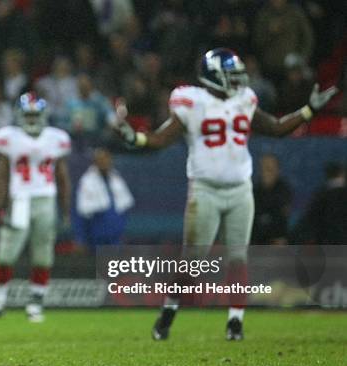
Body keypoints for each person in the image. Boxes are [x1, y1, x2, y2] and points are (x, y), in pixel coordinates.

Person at [117, 48, 338, 341]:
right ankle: (169, 311)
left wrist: (308, 110)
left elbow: (274, 127)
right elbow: (162, 138)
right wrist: (138, 138)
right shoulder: (193, 102)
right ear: (213, 76)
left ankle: (235, 322)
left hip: (239, 190)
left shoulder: (244, 100)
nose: (237, 81)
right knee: (192, 262)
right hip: (205, 191)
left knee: (238, 258)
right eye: (231, 75)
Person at [0, 92, 71, 323]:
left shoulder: (56, 138)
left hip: (46, 198)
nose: (32, 119)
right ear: (19, 115)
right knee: (7, 252)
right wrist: (0, 206)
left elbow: (63, 176)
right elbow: (2, 174)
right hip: (20, 200)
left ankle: (36, 303)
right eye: (28, 114)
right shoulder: (9, 137)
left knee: (43, 253)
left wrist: (65, 209)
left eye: (35, 114)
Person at [73, 148, 134, 251]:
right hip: (97, 233)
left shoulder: (116, 178)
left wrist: (122, 229)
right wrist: (81, 238)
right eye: (100, 159)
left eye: (106, 159)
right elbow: (82, 211)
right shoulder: (87, 181)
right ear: (95, 162)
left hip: (115, 233)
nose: (104, 162)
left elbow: (125, 205)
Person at [252, 154, 292, 245]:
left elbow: (280, 217)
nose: (266, 173)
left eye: (269, 169)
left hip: (277, 242)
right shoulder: (254, 192)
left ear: (278, 170)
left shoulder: (284, 191)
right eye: (263, 169)